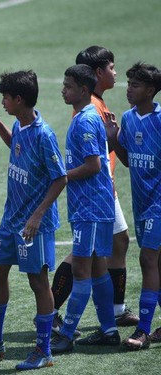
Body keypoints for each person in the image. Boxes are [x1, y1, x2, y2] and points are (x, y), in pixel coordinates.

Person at [0, 71, 67, 370]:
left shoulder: (44, 134)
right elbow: (15, 145)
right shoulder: (21, 124)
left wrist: (37, 214)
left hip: (34, 223)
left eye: (5, 98)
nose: (3, 101)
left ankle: (44, 350)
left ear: (19, 99)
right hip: (11, 219)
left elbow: (60, 178)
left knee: (37, 281)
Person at [50, 46, 137, 334]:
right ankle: (52, 312)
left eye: (67, 86)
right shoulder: (92, 111)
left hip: (98, 192)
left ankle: (113, 316)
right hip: (96, 194)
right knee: (84, 257)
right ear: (97, 73)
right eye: (112, 67)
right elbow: (95, 160)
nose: (116, 73)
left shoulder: (93, 108)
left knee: (114, 245)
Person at [49, 64, 119, 354]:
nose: (63, 89)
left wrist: (62, 175)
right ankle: (110, 330)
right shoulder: (85, 116)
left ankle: (66, 333)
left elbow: (94, 165)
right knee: (98, 266)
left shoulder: (86, 120)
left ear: (83, 90)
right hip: (90, 204)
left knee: (81, 269)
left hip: (91, 206)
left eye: (68, 85)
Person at [107, 62, 161, 349]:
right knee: (158, 262)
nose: (128, 89)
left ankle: (142, 330)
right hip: (142, 202)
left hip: (159, 202)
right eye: (127, 84)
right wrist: (113, 137)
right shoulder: (128, 119)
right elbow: (127, 160)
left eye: (135, 85)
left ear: (150, 90)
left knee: (147, 260)